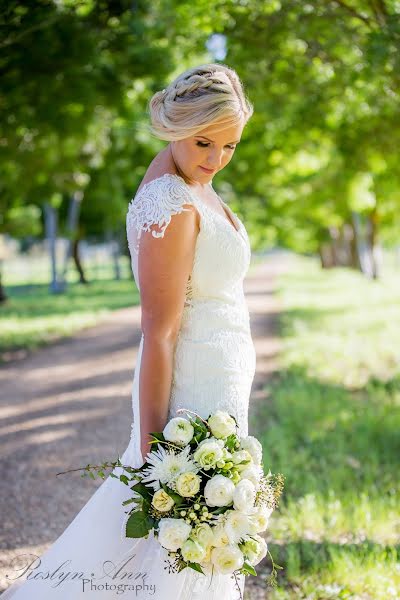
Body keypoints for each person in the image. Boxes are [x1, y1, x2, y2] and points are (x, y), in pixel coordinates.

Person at [1, 63, 256, 599]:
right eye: (205, 141)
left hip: (220, 383)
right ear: (175, 126)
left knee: (195, 538)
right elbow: (158, 334)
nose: (216, 159)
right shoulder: (171, 201)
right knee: (174, 532)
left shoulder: (189, 183)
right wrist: (154, 454)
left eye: (230, 146)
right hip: (195, 389)